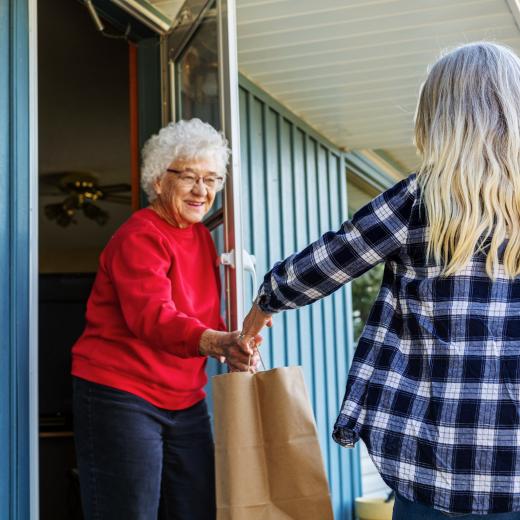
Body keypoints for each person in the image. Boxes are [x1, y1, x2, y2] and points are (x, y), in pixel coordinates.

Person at [239, 42, 520, 518]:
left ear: (438, 116)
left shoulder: (418, 200)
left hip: (430, 465)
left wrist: (262, 306)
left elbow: (326, 260)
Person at [72, 118, 257, 520]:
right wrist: (215, 341)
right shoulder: (140, 235)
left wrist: (242, 332)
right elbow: (152, 316)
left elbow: (201, 316)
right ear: (158, 180)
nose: (202, 190)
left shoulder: (201, 239)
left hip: (184, 398)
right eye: (189, 177)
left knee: (198, 509)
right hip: (122, 394)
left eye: (211, 179)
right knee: (128, 512)